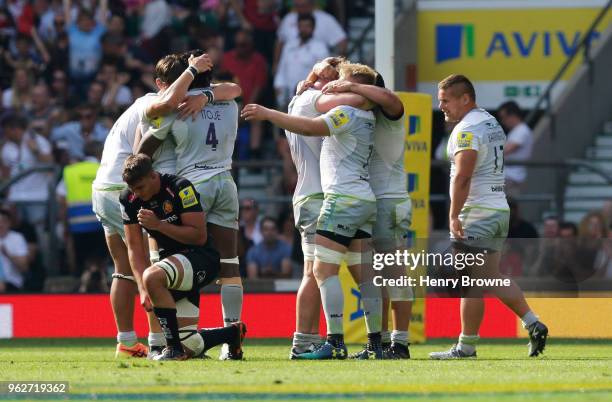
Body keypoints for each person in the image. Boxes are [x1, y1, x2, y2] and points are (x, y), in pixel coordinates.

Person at [243, 62, 379, 360]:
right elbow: (360, 99)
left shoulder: (306, 98)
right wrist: (357, 89)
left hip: (325, 194)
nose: (337, 84)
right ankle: (310, 339)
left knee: (342, 272)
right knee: (318, 272)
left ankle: (328, 340)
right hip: (320, 195)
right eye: (335, 78)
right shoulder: (313, 100)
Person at [92, 51, 212, 359]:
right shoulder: (151, 104)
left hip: (103, 186)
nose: (185, 93)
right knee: (149, 263)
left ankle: (127, 341)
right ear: (163, 84)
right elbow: (169, 103)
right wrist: (191, 70)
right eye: (181, 84)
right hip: (127, 187)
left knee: (123, 271)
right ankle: (159, 341)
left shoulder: (139, 105)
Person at [429, 74, 548, 359]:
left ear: (465, 99)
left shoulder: (467, 130)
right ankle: (533, 323)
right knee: (490, 277)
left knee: (470, 281)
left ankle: (466, 347)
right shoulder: (490, 121)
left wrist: (453, 214)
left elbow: (463, 177)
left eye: (445, 100)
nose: (441, 106)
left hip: (477, 211)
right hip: (498, 209)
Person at [136, 50, 244, 360]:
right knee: (230, 265)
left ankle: (178, 338)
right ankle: (231, 341)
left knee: (180, 258)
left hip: (192, 186)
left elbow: (145, 152)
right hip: (226, 181)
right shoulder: (228, 103)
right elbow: (234, 89)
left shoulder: (176, 107)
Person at [120, 154, 246, 361]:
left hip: (200, 257)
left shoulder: (180, 187)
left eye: (140, 188)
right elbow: (134, 248)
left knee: (153, 276)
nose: (138, 194)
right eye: (133, 189)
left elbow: (199, 235)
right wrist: (142, 290)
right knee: (190, 344)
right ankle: (232, 334)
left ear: (153, 176)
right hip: (173, 265)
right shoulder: (129, 199)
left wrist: (159, 225)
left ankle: (172, 350)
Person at [323, 72, 414, 359]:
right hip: (373, 202)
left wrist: (351, 86)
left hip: (389, 200)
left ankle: (400, 343)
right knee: (376, 276)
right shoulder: (363, 116)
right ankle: (382, 342)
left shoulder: (389, 111)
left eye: (348, 82)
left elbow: (391, 98)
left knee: (394, 274)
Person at [274, 13, 328, 110]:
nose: (304, 29)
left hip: (307, 95)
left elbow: (323, 75)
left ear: (313, 28)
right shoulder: (289, 45)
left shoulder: (320, 48)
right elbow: (282, 68)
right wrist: (278, 85)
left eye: (307, 26)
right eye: (301, 26)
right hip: (286, 94)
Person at [274, 0, 346, 72]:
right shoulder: (288, 18)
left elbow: (341, 42)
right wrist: (276, 64)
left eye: (304, 5)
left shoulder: (326, 19)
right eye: (297, 6)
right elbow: (280, 42)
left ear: (312, 4)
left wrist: (337, 68)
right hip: (291, 69)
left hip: (317, 69)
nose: (301, 8)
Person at [497, 101, 533, 197]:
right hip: (508, 176)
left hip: (512, 176)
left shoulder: (522, 130)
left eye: (504, 117)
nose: (503, 121)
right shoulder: (516, 131)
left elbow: (506, 150)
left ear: (512, 115)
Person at [0, 209, 29, 292]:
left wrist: (7, 254)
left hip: (12, 283)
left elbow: (24, 267)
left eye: (3, 221)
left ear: (9, 223)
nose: (0, 224)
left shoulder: (17, 238)